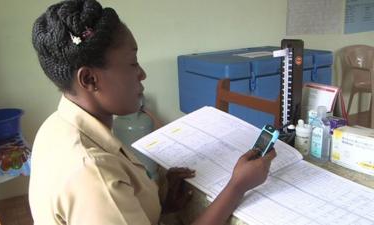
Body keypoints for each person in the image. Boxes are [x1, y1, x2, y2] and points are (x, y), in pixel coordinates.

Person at [29, 0, 276, 224]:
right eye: (132, 63)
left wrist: (158, 204)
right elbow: (103, 189)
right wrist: (237, 186)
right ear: (90, 79)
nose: (142, 74)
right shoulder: (94, 175)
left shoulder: (55, 126)